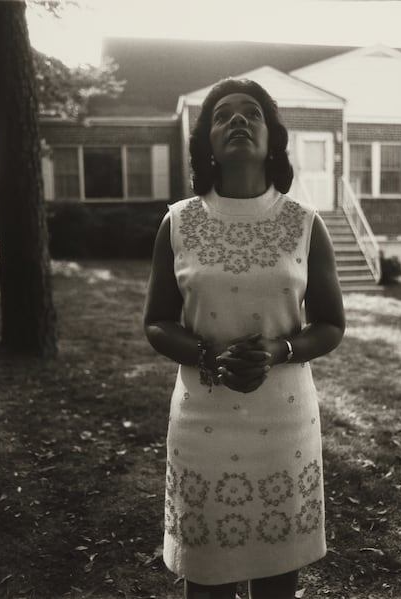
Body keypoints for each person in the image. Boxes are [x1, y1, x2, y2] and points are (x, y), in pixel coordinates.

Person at [143, 77, 345, 599]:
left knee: (278, 576)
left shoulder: (304, 224)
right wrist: (208, 353)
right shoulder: (179, 223)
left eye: (251, 113)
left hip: (284, 422)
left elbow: (330, 324)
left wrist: (279, 351)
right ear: (206, 142)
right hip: (201, 420)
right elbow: (156, 322)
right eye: (222, 115)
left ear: (272, 139)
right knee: (206, 578)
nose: (237, 120)